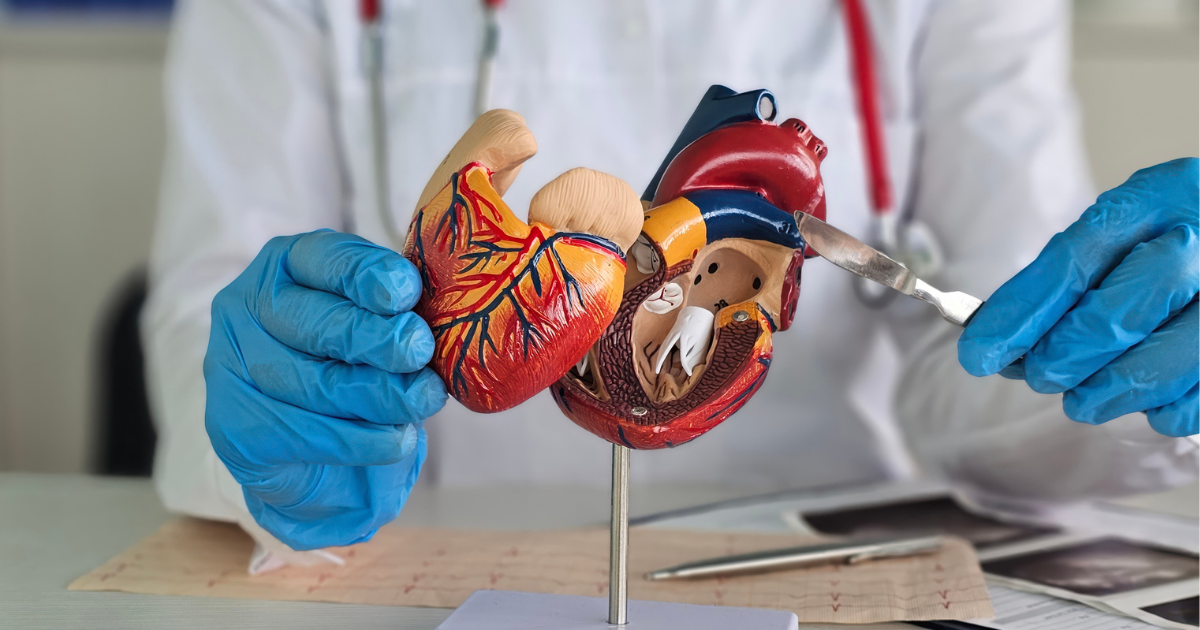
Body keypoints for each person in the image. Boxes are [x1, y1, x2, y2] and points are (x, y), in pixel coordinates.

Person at [143, 0, 1198, 564]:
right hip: (438, 562)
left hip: (827, 560)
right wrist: (265, 417)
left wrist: (1125, 369)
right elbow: (215, 299)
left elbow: (997, 341)